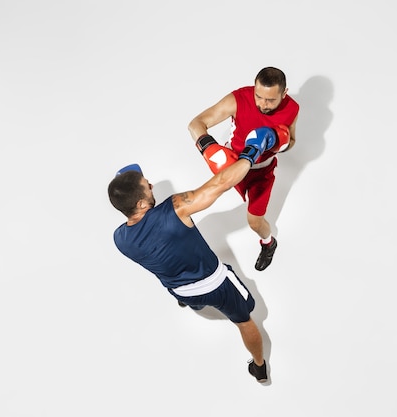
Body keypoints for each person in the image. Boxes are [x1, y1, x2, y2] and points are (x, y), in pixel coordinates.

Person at [107, 128, 283, 383]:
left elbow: (130, 203)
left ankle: (191, 304)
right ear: (141, 203)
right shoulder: (174, 209)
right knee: (246, 320)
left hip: (180, 290)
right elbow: (220, 183)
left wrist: (125, 186)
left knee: (189, 294)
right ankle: (259, 367)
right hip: (217, 284)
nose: (152, 184)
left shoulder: (120, 239)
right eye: (147, 186)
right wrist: (250, 154)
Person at [188, 66, 300, 271]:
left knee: (255, 222)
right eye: (259, 96)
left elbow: (292, 139)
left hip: (261, 173)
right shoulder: (239, 99)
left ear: (284, 93)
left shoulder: (293, 108)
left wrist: (279, 142)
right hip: (232, 164)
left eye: (270, 100)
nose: (262, 104)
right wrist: (209, 148)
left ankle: (269, 243)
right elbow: (196, 123)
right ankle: (189, 272)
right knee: (197, 203)